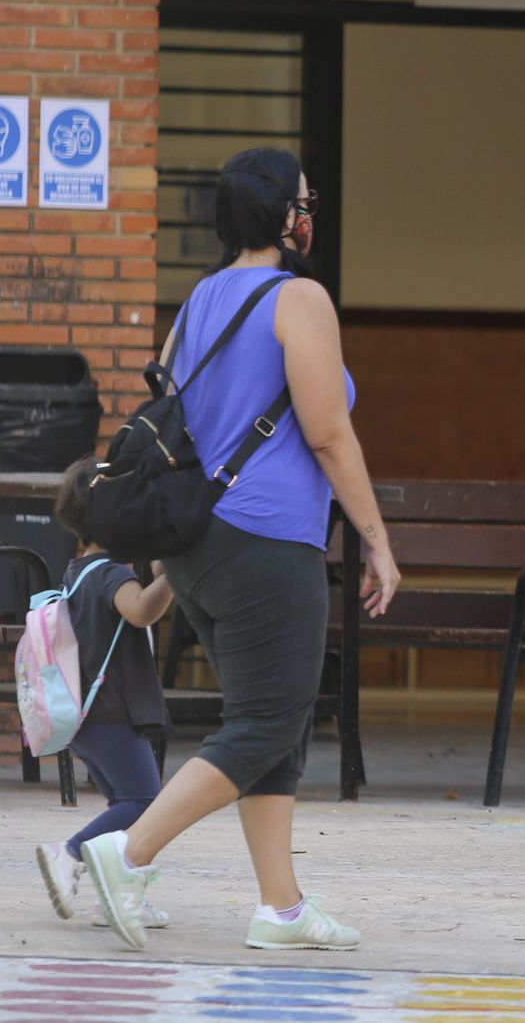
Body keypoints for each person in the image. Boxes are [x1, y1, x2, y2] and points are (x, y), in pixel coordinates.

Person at [80, 147, 400, 952]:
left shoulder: (197, 302)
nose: (309, 211)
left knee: (271, 724)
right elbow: (329, 432)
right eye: (303, 199)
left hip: (199, 547)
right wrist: (377, 540)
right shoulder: (300, 300)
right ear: (279, 214)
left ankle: (281, 908)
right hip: (267, 543)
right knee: (265, 724)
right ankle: (130, 852)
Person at [35, 458, 177, 929]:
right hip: (113, 713)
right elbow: (139, 612)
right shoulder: (112, 575)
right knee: (144, 803)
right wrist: (174, 578)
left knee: (126, 811)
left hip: (85, 717)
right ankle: (68, 853)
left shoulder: (78, 570)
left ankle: (116, 896)